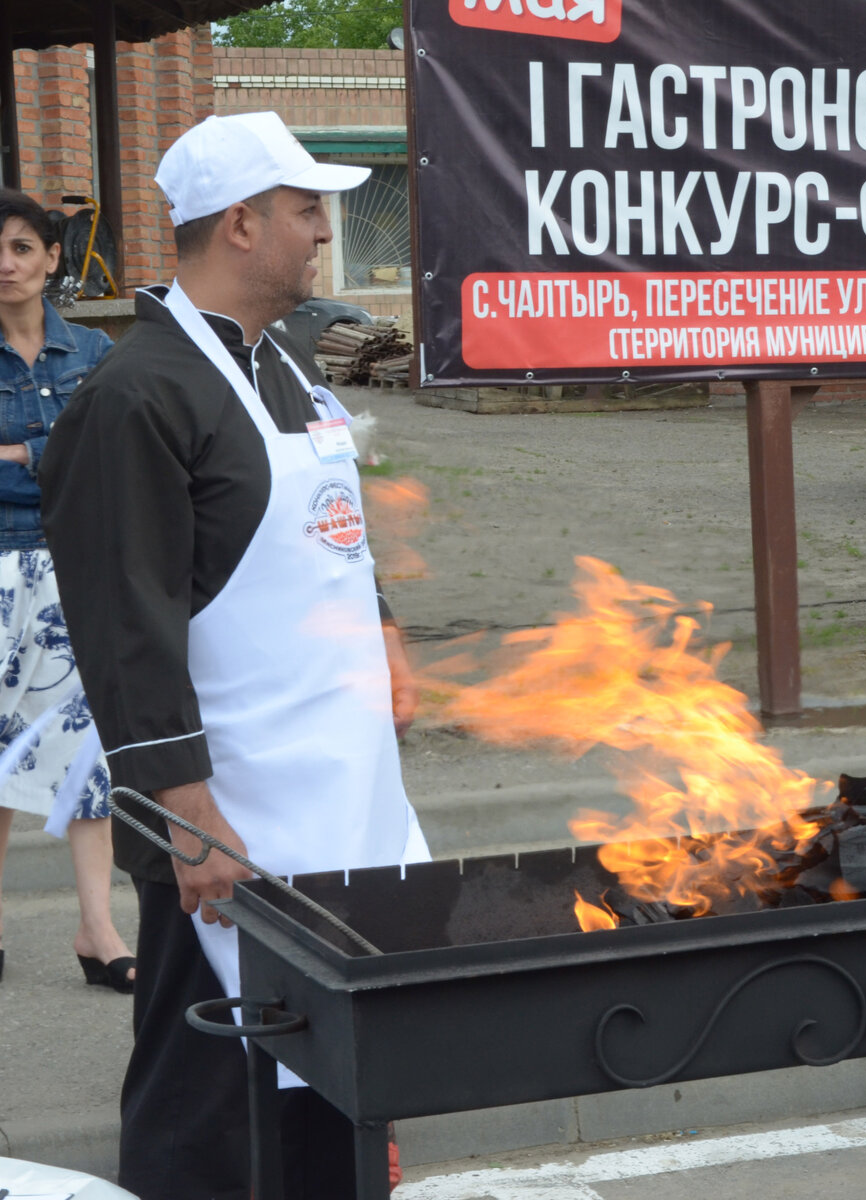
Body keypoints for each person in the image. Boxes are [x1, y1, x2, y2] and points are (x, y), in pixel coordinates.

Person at [39, 111, 429, 1200]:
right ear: (243, 223)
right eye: (308, 211)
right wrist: (186, 817)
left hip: (340, 802)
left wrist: (384, 629)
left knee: (332, 1086)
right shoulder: (136, 395)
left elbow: (327, 535)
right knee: (211, 1101)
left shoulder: (290, 372)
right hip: (229, 823)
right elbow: (126, 629)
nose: (324, 232)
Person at [0, 187, 134, 992]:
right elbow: (79, 453)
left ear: (54, 258)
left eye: (22, 247)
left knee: (89, 760)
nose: (6, 264)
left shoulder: (94, 355)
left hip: (76, 571)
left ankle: (98, 928)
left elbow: (112, 457)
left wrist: (18, 456)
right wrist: (57, 450)